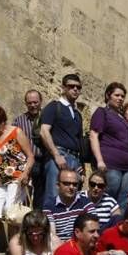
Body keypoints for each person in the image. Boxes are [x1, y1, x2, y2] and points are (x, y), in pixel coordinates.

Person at [0, 104, 34, 255]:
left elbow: (30, 156)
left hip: (17, 177)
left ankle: (14, 245)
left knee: (11, 212)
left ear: (2, 121)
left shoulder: (16, 132)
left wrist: (25, 174)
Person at [89, 82, 128, 211]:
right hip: (111, 165)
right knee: (107, 200)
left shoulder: (123, 119)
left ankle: (116, 228)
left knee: (123, 202)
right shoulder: (102, 112)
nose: (120, 98)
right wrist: (99, 160)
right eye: (117, 95)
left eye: (122, 96)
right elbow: (93, 135)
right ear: (108, 95)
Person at [40, 73, 84, 204]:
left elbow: (78, 140)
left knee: (72, 198)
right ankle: (50, 224)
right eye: (71, 86)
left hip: (74, 159)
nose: (75, 89)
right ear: (63, 88)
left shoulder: (77, 114)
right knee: (54, 196)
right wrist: (56, 155)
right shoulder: (54, 106)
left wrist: (81, 165)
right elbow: (44, 131)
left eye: (78, 87)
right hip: (58, 156)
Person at [14, 89, 48, 210]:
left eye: (35, 102)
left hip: (44, 160)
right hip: (26, 162)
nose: (33, 105)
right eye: (30, 103)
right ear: (26, 103)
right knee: (24, 195)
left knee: (41, 194)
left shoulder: (47, 118)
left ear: (41, 101)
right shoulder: (19, 121)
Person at [43, 169, 94, 242]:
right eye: (66, 183)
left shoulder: (86, 203)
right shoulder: (49, 206)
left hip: (80, 244)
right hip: (59, 245)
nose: (71, 187)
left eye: (75, 184)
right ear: (58, 185)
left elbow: (91, 229)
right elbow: (52, 234)